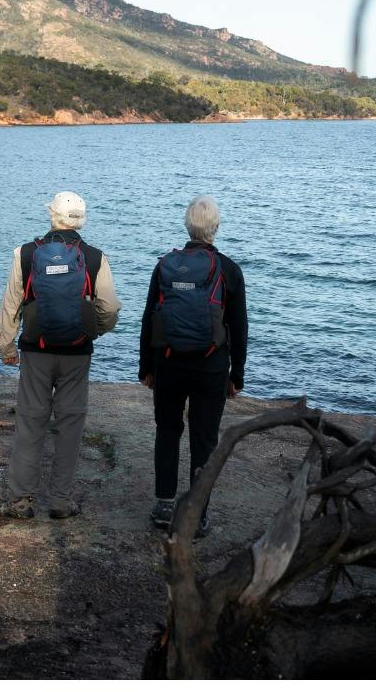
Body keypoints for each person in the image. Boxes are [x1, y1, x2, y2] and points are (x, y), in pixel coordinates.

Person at [0, 191, 121, 519]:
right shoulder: (94, 258)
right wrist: (92, 329)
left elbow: (11, 304)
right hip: (77, 352)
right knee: (70, 423)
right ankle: (61, 501)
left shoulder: (24, 254)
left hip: (36, 350)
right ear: (82, 219)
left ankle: (20, 500)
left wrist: (6, 346)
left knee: (30, 421)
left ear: (52, 215)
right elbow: (109, 309)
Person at [139, 196, 247, 538]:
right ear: (215, 228)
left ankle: (164, 505)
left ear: (188, 226)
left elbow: (149, 319)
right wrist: (237, 374)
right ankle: (197, 513)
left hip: (168, 363)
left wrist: (146, 367)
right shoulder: (228, 269)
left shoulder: (165, 266)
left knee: (167, 431)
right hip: (210, 366)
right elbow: (239, 326)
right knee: (204, 439)